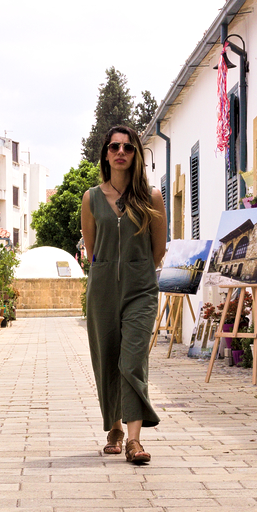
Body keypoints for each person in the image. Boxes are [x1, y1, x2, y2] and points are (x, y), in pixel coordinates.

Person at [81, 125, 167, 464]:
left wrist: (132, 268)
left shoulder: (152, 197)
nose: (121, 152)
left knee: (132, 362)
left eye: (128, 148)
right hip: (102, 291)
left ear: (136, 156)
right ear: (105, 154)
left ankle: (134, 440)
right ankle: (113, 427)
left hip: (141, 291)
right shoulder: (91, 198)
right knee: (107, 361)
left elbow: (158, 250)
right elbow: (92, 250)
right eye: (114, 147)